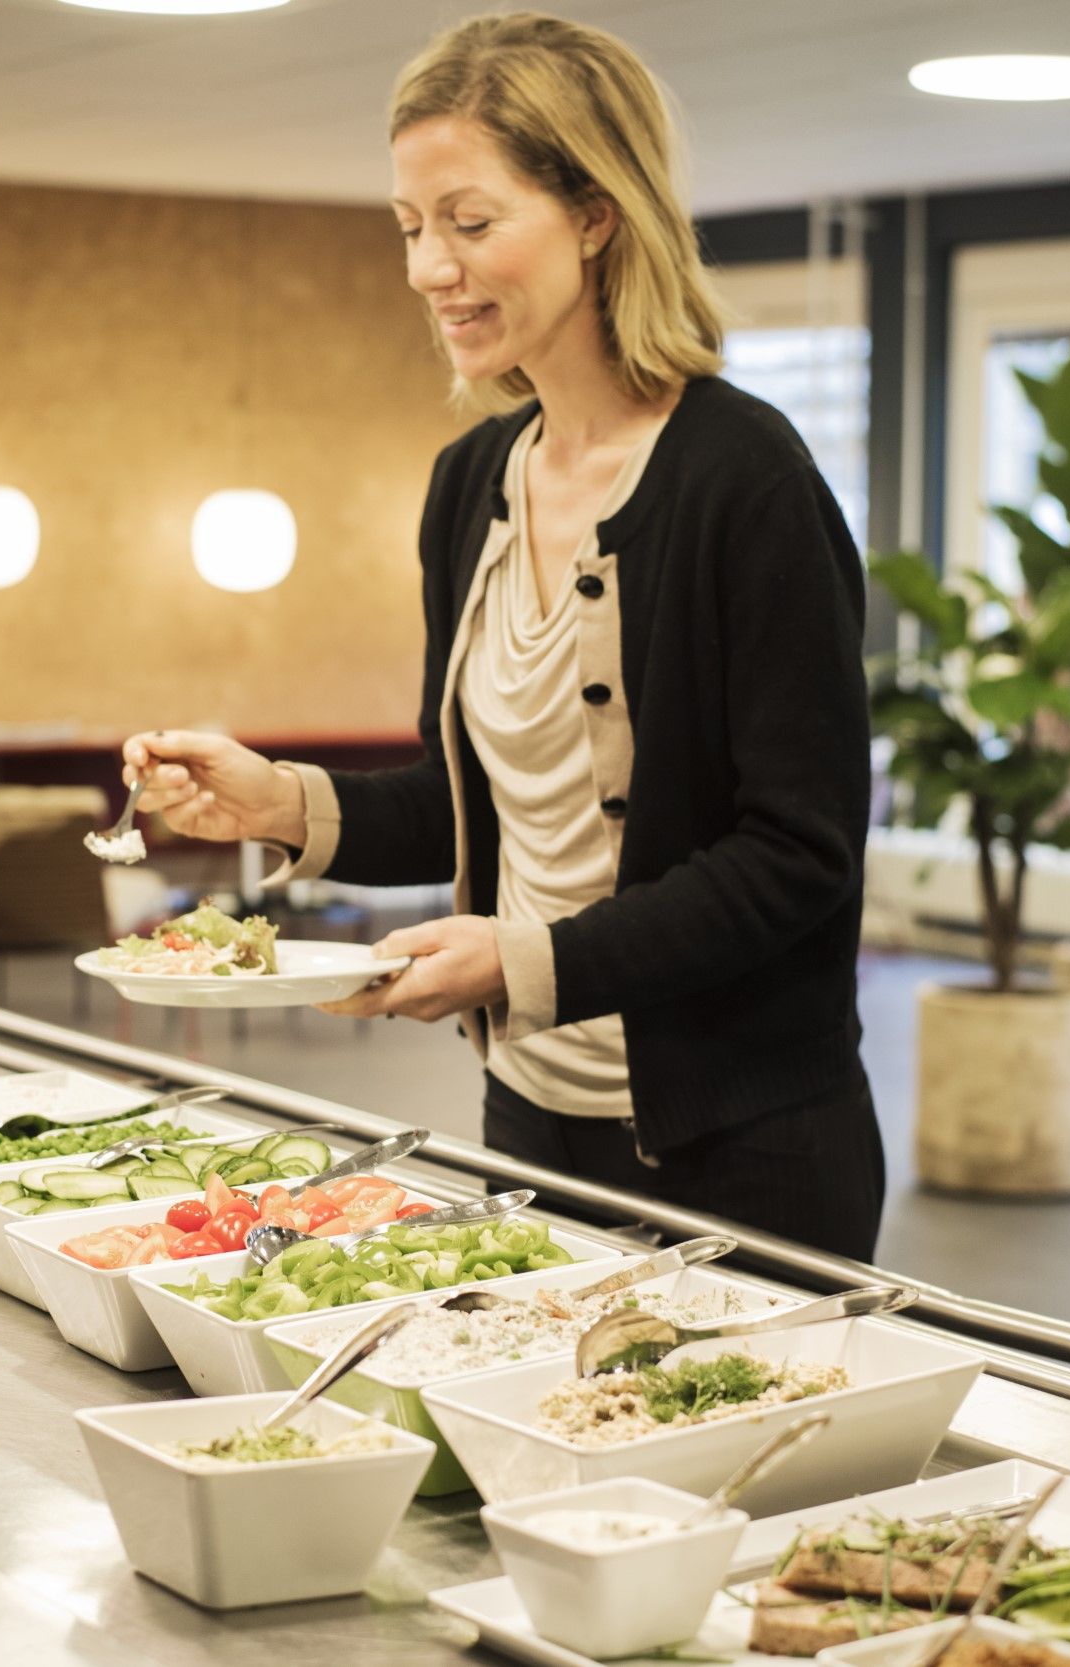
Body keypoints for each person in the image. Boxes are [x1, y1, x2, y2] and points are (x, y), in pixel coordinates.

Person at [123, 12, 882, 1259]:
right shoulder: (469, 480)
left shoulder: (746, 480)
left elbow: (798, 854)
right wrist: (279, 803)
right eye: (411, 228)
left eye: (470, 224)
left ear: (596, 213)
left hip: (747, 1146)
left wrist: (522, 960)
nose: (430, 268)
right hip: (530, 1114)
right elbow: (473, 799)